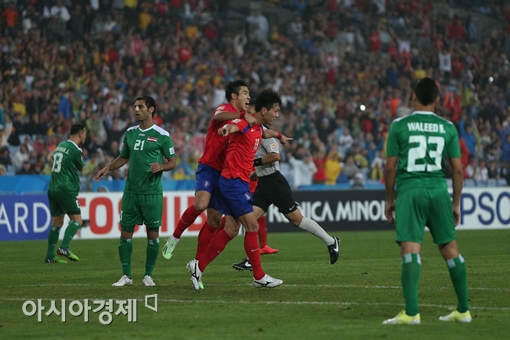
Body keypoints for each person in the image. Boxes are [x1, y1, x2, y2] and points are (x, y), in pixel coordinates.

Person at [382, 78, 470, 325]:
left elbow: (390, 167)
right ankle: (463, 310)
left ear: (413, 97)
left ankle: (411, 314)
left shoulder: (400, 125)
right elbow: (458, 170)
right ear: (437, 100)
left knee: (410, 249)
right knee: (450, 250)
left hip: (411, 190)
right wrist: (455, 203)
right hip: (439, 190)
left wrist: (390, 199)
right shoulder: (448, 127)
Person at [187, 88, 292, 290]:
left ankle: (198, 267)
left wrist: (279, 136)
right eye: (275, 111)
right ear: (264, 110)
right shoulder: (245, 122)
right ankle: (259, 277)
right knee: (252, 226)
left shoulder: (258, 128)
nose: (277, 115)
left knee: (233, 228)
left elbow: (264, 132)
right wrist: (226, 130)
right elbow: (234, 126)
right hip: (233, 182)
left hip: (237, 182)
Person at [162, 80, 256, 261]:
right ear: (234, 96)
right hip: (209, 167)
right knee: (200, 204)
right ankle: (174, 238)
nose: (248, 96)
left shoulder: (243, 121)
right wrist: (243, 114)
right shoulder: (225, 108)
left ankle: (196, 265)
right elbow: (219, 117)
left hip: (225, 174)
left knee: (213, 221)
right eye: (245, 93)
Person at [232, 125, 340, 271]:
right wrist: (258, 172)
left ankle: (331, 241)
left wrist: (253, 164)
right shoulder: (255, 133)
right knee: (248, 220)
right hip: (264, 183)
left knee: (297, 220)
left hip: (275, 184)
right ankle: (252, 260)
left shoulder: (266, 135)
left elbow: (275, 156)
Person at [94, 95, 176, 287]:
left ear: (151, 109)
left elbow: (172, 162)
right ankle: (126, 276)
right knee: (125, 234)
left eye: (140, 106)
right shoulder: (130, 133)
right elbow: (124, 157)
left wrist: (161, 167)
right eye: (135, 106)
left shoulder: (162, 135)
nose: (136, 110)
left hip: (152, 193)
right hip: (131, 192)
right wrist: (108, 168)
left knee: (153, 234)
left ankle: (148, 275)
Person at [45, 124, 87, 264]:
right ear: (81, 134)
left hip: (53, 187)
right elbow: (81, 168)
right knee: (77, 220)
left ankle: (50, 256)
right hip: (66, 188)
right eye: (85, 134)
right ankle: (64, 247)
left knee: (57, 222)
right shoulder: (76, 150)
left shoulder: (60, 146)